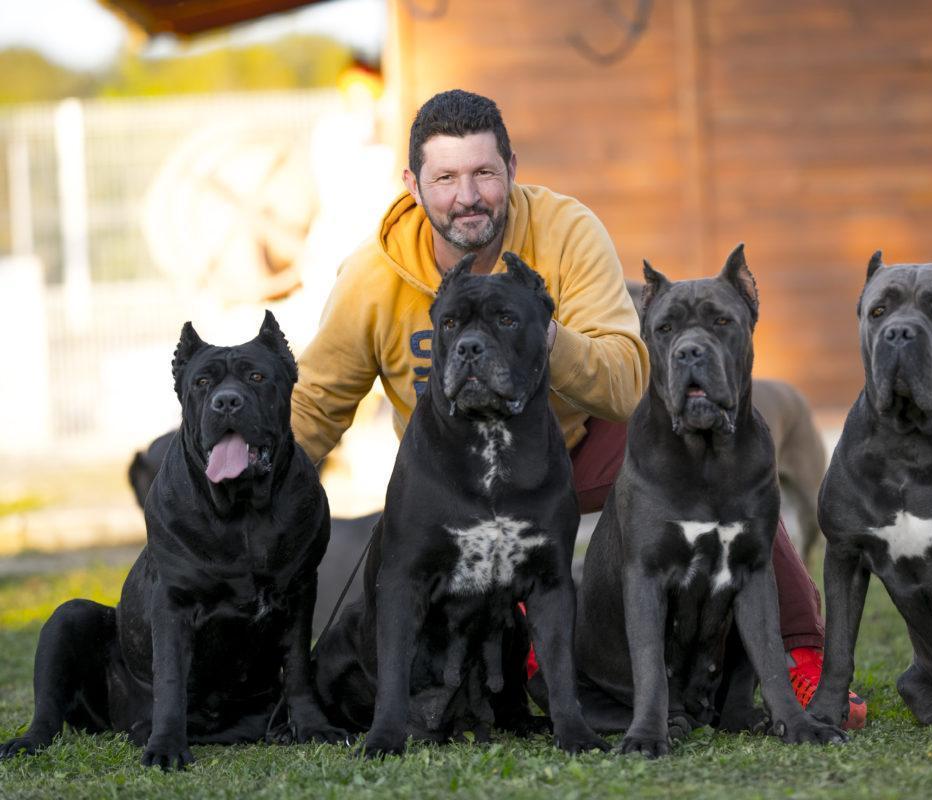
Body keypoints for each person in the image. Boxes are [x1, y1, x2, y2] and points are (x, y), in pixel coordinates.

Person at [289, 89, 865, 729]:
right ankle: (539, 657)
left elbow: (626, 377)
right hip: (452, 470)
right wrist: (264, 490)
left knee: (722, 461)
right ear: (413, 185)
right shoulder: (372, 278)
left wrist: (533, 329)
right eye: (446, 177)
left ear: (511, 168)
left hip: (574, 444)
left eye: (484, 173)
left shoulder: (566, 231)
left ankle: (799, 653)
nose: (467, 195)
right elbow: (316, 403)